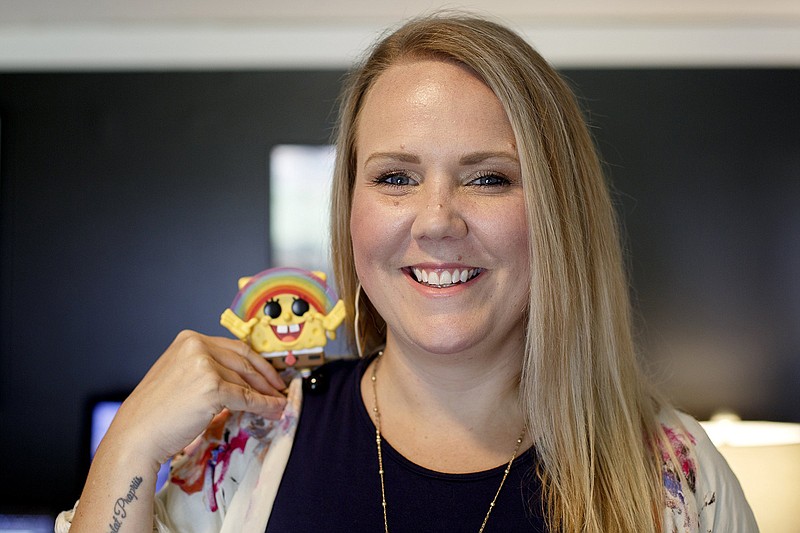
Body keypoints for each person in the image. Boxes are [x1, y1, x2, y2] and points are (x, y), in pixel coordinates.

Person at [58, 12, 758, 533]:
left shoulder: (678, 476)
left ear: (558, 212)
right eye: (396, 176)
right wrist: (131, 441)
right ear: (352, 212)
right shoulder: (242, 443)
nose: (436, 221)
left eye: (487, 179)